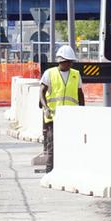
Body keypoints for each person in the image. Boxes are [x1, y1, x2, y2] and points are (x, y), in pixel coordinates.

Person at [39, 44, 84, 172]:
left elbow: (80, 94)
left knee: (70, 144)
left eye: (70, 62)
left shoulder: (75, 74)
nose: (69, 64)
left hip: (71, 116)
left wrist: (83, 111)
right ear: (60, 61)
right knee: (52, 145)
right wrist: (46, 107)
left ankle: (66, 169)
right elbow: (41, 92)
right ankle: (50, 170)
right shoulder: (50, 73)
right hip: (53, 117)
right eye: (66, 62)